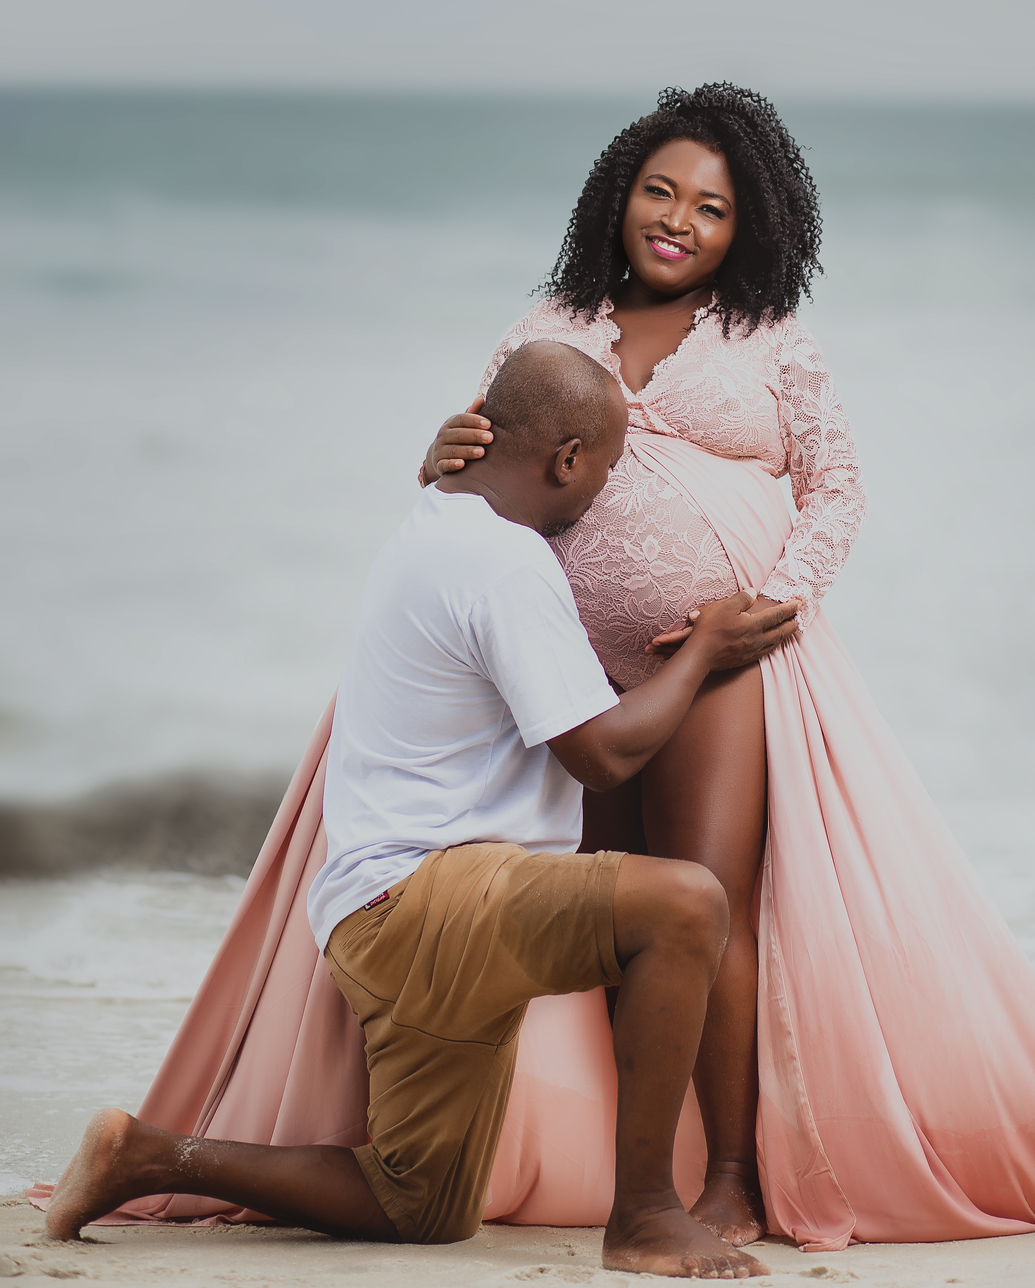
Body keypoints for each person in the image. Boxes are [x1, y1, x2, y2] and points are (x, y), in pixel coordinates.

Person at [38, 84, 1035, 1256]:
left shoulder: (770, 339)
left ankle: (728, 1175)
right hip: (566, 675)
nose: (679, 220)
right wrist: (434, 449)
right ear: (618, 195)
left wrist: (768, 607)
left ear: (750, 225)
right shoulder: (550, 325)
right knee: (620, 922)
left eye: (711, 207)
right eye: (660, 192)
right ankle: (646, 1175)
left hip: (712, 666)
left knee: (710, 904)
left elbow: (838, 490)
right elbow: (486, 470)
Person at [43, 340, 799, 1277]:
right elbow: (602, 757)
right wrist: (706, 651)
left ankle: (145, 1156)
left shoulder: (436, 521)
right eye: (605, 471)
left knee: (419, 1203)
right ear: (566, 458)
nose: (603, 492)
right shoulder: (503, 562)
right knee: (686, 904)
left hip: (381, 919)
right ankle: (645, 1214)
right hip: (426, 900)